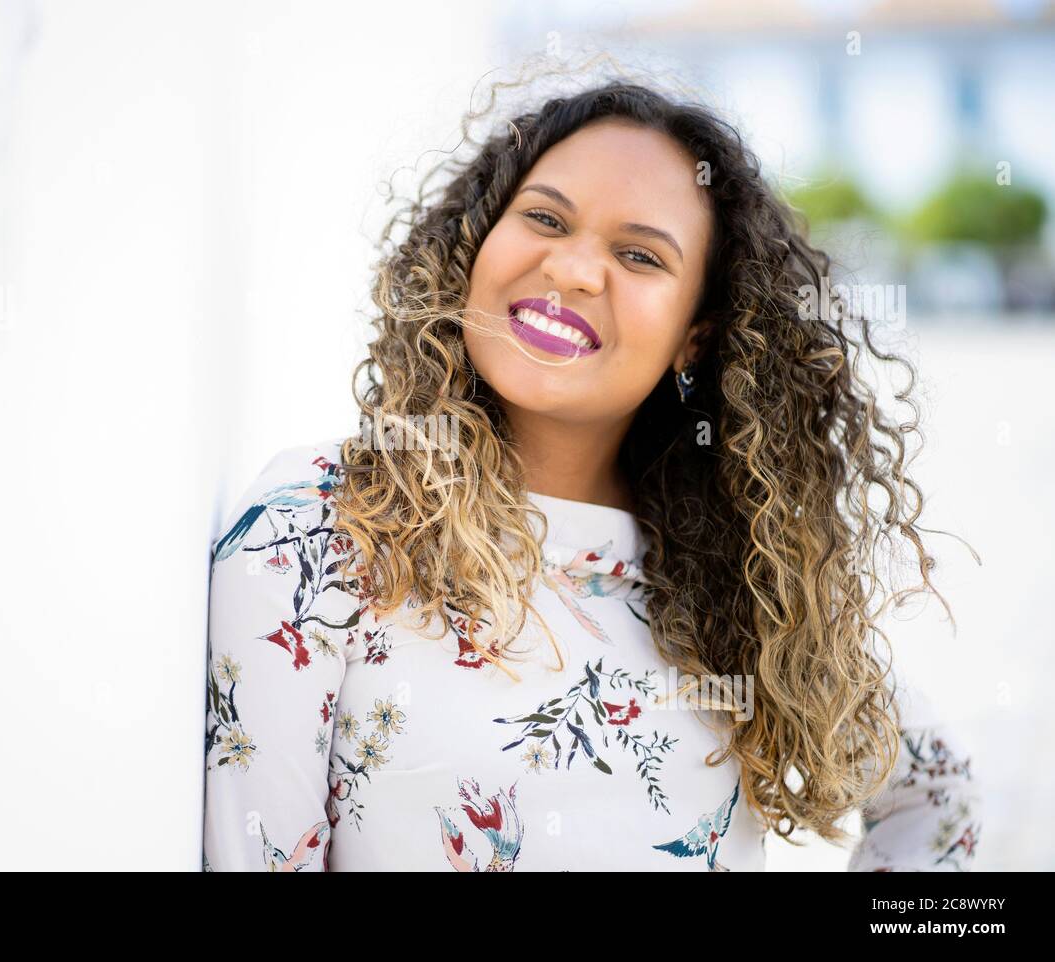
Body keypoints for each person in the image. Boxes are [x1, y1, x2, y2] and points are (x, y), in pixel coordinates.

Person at [201, 78, 982, 872]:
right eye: (544, 218)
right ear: (477, 244)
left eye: (639, 255)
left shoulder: (743, 587)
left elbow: (939, 795)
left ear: (696, 339)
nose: (574, 270)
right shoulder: (320, 528)